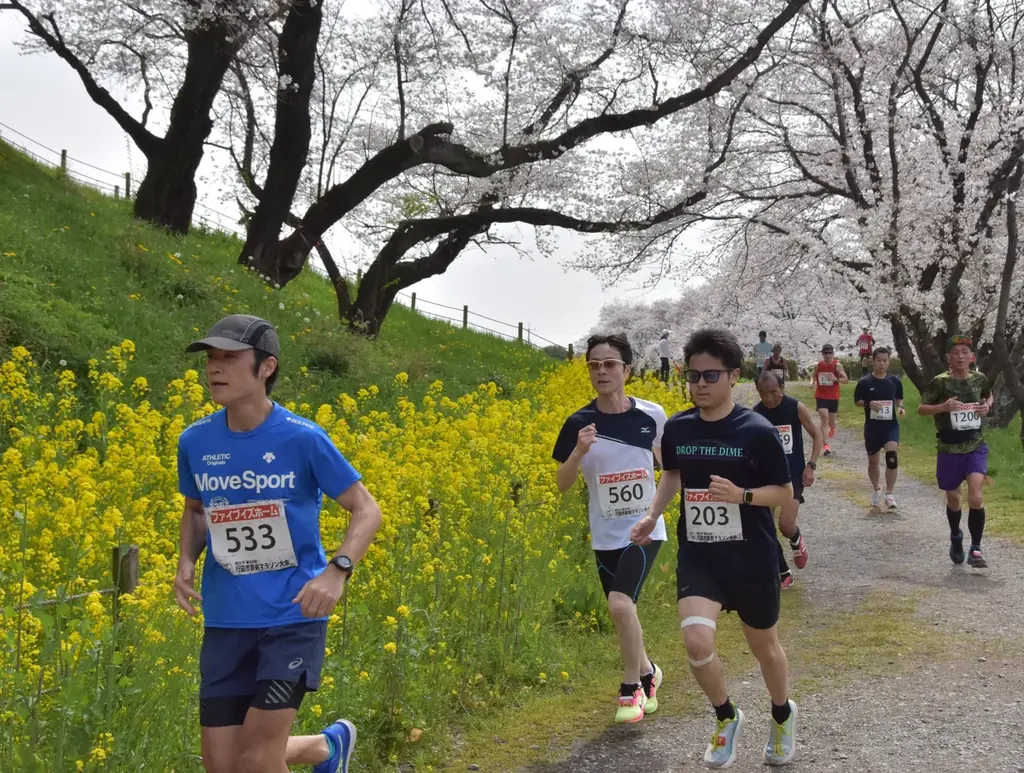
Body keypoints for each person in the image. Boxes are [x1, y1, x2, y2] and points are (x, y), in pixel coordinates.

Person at [173, 314, 384, 773]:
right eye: (210, 358)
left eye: (229, 358)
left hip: (292, 615)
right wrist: (185, 562)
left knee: (256, 759)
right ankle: (325, 749)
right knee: (223, 766)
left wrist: (337, 570)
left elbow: (367, 510)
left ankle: (316, 750)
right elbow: (196, 511)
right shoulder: (194, 441)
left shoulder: (303, 438)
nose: (214, 368)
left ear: (266, 367)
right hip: (227, 618)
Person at [632, 328, 797, 769]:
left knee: (765, 648)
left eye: (710, 375)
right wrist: (652, 514)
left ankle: (782, 714)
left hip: (752, 556)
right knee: (696, 642)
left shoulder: (758, 430)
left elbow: (784, 492)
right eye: (692, 376)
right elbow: (672, 474)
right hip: (701, 555)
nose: (700, 384)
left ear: (733, 376)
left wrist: (741, 496)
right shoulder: (679, 428)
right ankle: (726, 716)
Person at [553, 333, 667, 723]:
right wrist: (578, 451)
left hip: (646, 527)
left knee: (619, 604)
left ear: (627, 370)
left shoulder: (652, 416)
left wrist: (654, 512)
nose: (601, 371)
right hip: (605, 533)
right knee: (624, 609)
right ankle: (650, 672)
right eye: (594, 364)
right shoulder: (578, 423)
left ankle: (630, 688)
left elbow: (672, 471)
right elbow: (562, 483)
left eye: (610, 364)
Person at [918, 335, 995, 568]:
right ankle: (956, 536)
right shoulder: (939, 382)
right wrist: (943, 407)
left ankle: (976, 548)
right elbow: (921, 408)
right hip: (949, 447)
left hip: (975, 445)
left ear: (971, 357)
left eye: (964, 353)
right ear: (948, 358)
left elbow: (988, 395)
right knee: (953, 499)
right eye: (955, 353)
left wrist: (987, 406)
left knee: (976, 495)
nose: (960, 357)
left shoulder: (979, 378)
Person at [753, 371, 822, 590]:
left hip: (793, 474)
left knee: (785, 525)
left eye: (774, 392)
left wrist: (811, 465)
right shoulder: (756, 414)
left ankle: (796, 538)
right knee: (765, 527)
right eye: (764, 394)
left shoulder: (795, 407)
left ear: (782, 388)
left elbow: (817, 435)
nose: (770, 398)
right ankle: (783, 571)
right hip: (767, 476)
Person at [853, 347, 904, 512]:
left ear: (889, 361)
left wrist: (901, 408)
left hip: (890, 426)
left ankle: (890, 494)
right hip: (873, 427)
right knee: (873, 462)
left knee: (892, 457)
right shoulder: (865, 382)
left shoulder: (895, 381)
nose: (882, 364)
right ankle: (876, 489)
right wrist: (869, 403)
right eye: (879, 360)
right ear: (873, 361)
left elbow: (899, 397)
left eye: (885, 360)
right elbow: (857, 401)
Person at [811, 344, 848, 457]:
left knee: (831, 422)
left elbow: (846, 380)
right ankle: (825, 445)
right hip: (821, 395)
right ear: (822, 354)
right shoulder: (818, 365)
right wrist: (812, 382)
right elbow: (813, 376)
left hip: (833, 396)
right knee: (824, 418)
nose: (827, 355)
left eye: (829, 353)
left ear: (833, 354)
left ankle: (833, 427)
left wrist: (835, 379)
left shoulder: (837, 366)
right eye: (825, 353)